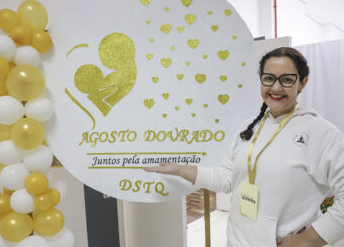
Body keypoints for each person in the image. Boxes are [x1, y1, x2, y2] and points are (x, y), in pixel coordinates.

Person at [144, 47, 344, 247]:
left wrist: (307, 240)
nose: (275, 88)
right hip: (236, 241)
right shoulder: (250, 126)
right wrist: (180, 169)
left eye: (286, 80)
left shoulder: (321, 133)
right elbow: (226, 179)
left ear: (303, 82)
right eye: (268, 78)